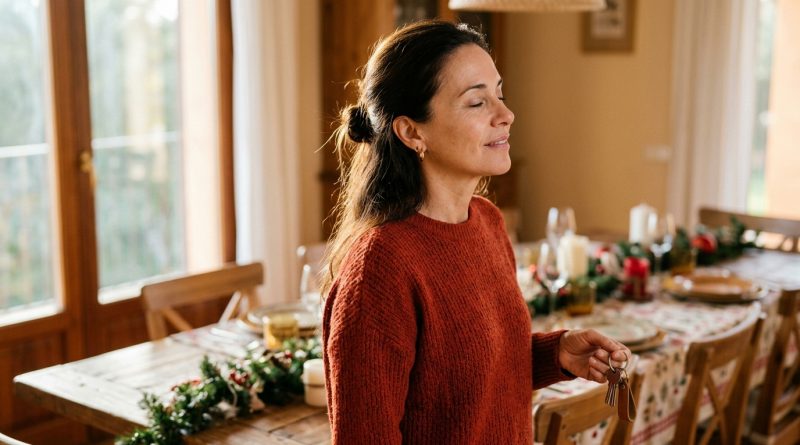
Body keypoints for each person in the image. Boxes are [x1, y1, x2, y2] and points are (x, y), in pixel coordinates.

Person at [321, 20, 630, 444]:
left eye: (499, 95)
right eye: (476, 103)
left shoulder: (486, 220)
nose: (506, 115)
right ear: (412, 132)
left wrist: (553, 353)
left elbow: (464, 376)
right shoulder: (380, 267)